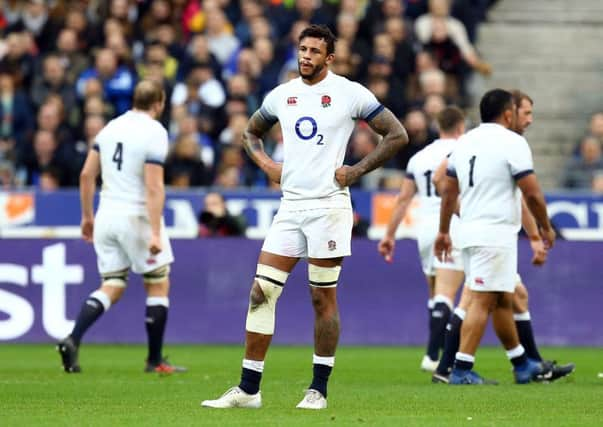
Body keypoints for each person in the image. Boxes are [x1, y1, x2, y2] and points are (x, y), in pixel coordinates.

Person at [201, 25, 407, 409]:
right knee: (261, 291)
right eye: (302, 49)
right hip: (291, 208)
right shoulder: (283, 95)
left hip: (328, 207)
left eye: (314, 51)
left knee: (320, 297)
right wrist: (267, 165)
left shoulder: (350, 93)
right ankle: (248, 390)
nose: (306, 56)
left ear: (330, 58)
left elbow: (397, 134)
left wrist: (356, 171)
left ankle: (318, 389)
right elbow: (250, 133)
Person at [431, 90, 574, 383]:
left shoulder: (466, 141)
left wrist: (445, 230)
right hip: (494, 234)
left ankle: (522, 364)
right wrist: (545, 226)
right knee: (481, 301)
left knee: (504, 299)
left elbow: (448, 190)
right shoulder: (513, 142)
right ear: (508, 114)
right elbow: (531, 191)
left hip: (471, 231)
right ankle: (460, 370)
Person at [56, 80, 185, 375]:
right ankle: (154, 361)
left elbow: (87, 174)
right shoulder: (155, 132)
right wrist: (154, 231)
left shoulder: (110, 127)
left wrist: (87, 216)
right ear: (160, 103)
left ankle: (73, 338)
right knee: (157, 282)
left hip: (106, 215)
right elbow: (154, 186)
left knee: (112, 284)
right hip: (135, 216)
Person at [378, 106, 466, 372]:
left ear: (439, 126)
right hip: (453, 223)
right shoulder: (465, 151)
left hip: (425, 228)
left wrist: (389, 235)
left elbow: (403, 198)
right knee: (447, 294)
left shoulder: (419, 157)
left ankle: (435, 354)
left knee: (434, 294)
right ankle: (432, 355)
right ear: (461, 127)